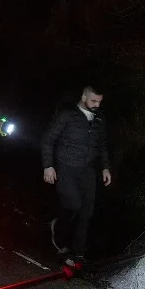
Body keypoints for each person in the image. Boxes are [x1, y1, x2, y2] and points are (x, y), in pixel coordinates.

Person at [41, 86, 112, 263]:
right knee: (73, 205)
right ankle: (58, 232)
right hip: (66, 167)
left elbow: (102, 145)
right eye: (93, 101)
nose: (97, 105)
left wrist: (105, 167)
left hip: (88, 170)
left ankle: (78, 253)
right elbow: (48, 139)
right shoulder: (67, 114)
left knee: (86, 212)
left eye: (99, 102)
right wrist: (48, 165)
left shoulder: (99, 118)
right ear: (84, 96)